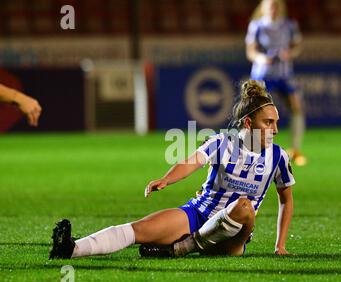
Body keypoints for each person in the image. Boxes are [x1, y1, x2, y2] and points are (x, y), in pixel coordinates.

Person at [49, 80, 295, 259]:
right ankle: (72, 249)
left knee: (244, 207)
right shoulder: (222, 142)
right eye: (268, 123)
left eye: (276, 123)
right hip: (197, 215)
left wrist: (279, 245)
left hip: (233, 237)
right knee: (140, 229)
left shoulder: (278, 157)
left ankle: (184, 247)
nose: (275, 129)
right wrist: (167, 179)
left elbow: (286, 200)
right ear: (249, 123)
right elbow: (192, 160)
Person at [245, 0, 307, 166]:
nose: (273, 9)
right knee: (258, 112)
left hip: (284, 74)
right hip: (262, 75)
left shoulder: (289, 25)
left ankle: (295, 149)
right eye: (270, 6)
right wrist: (261, 58)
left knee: (296, 107)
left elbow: (297, 47)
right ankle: (252, 149)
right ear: (263, 8)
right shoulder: (256, 25)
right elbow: (250, 51)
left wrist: (290, 54)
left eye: (275, 6)